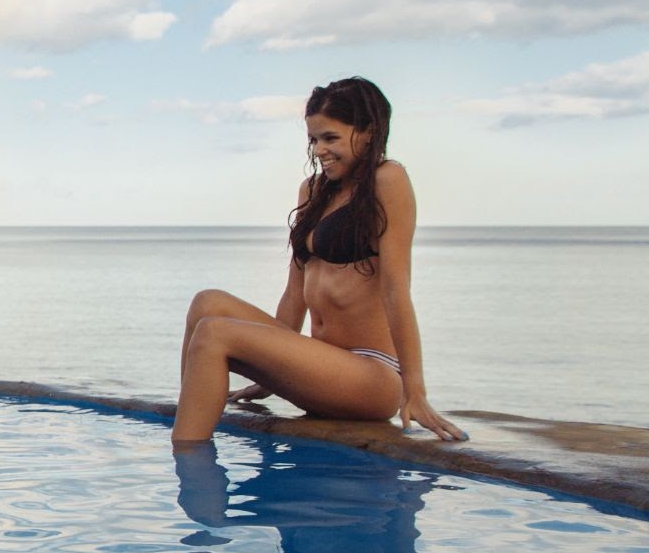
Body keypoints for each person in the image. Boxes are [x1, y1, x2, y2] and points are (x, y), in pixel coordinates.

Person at [173, 77, 465, 444]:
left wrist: (415, 390)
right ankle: (190, 423)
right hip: (322, 359)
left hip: (371, 372)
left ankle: (185, 454)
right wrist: (270, 369)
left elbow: (395, 288)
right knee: (207, 303)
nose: (320, 149)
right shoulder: (312, 191)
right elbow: (295, 294)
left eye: (331, 138)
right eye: (313, 139)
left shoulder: (387, 180)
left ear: (368, 132)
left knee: (216, 332)